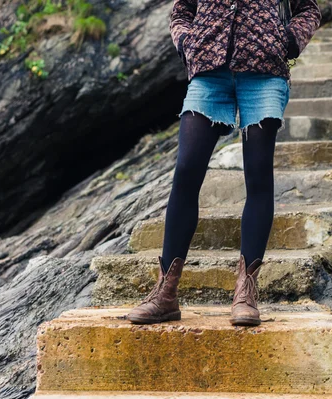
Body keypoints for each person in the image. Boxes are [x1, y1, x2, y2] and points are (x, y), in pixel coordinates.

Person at [127, 0, 321, 326]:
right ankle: (165, 293)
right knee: (187, 170)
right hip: (208, 75)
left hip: (264, 75)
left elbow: (309, 11)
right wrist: (186, 42)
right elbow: (181, 10)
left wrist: (287, 42)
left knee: (258, 175)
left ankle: (245, 292)